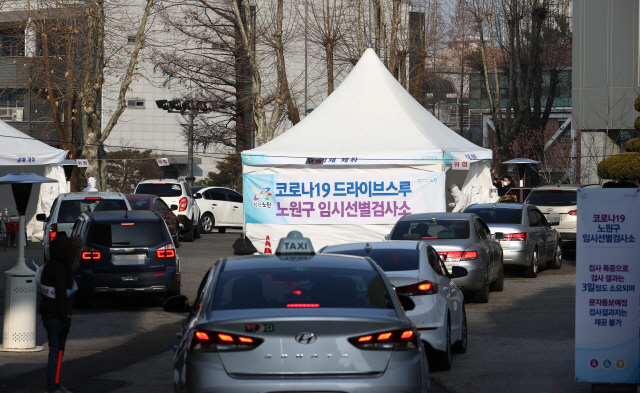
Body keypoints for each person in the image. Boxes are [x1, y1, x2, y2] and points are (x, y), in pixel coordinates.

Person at [39, 233, 81, 393]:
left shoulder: (48, 267)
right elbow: (61, 297)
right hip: (57, 316)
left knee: (56, 351)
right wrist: (66, 318)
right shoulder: (62, 270)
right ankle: (53, 386)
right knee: (56, 352)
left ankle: (55, 383)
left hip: (48, 314)